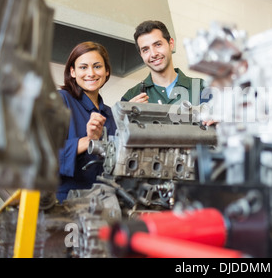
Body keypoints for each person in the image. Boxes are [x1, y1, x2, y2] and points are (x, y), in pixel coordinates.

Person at [56, 41, 117, 203]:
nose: (91, 73)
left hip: (103, 203)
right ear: (73, 72)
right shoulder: (60, 100)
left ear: (107, 71)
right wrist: (87, 141)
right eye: (83, 67)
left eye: (97, 66)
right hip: (63, 204)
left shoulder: (110, 114)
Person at [121, 20, 210, 110]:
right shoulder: (131, 97)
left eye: (158, 45)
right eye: (145, 50)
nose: (153, 54)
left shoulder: (201, 88)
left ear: (171, 44)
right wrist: (127, 113)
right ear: (141, 55)